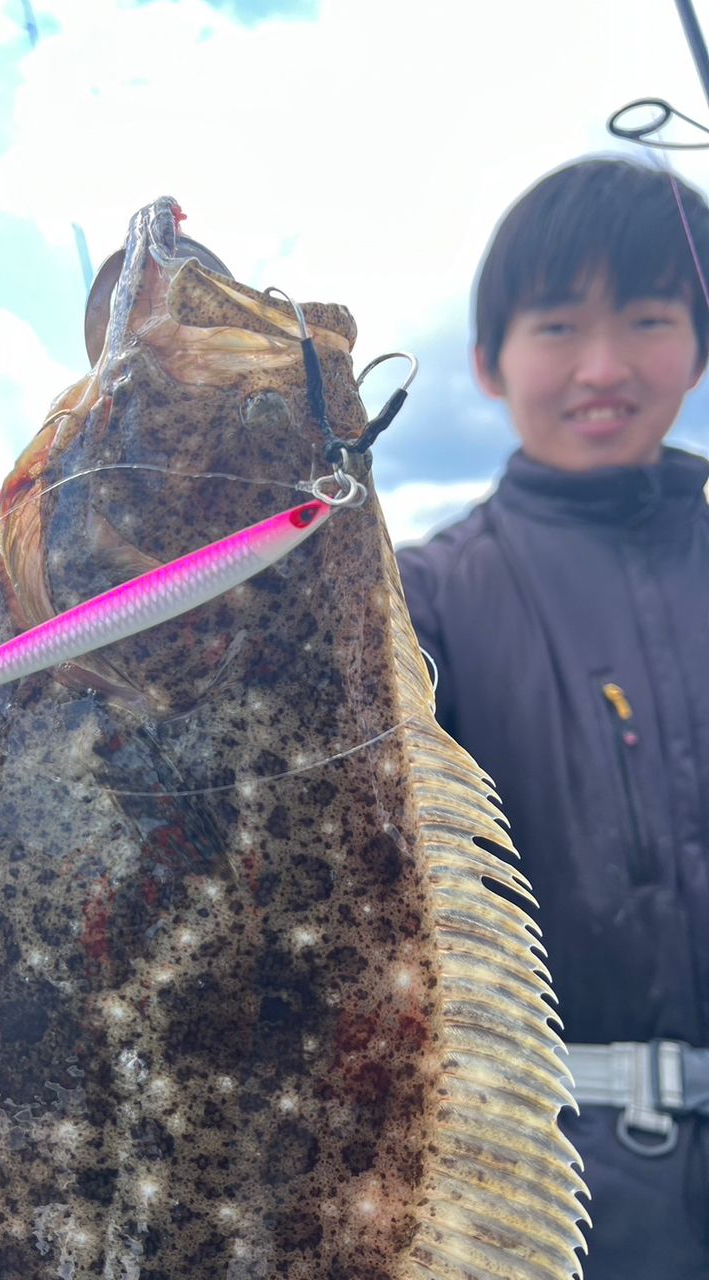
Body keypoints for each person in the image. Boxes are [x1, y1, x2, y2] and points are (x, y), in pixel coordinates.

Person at [395, 156, 709, 1279]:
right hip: (538, 1184)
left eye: (650, 318)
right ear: (487, 359)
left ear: (701, 346)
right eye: (559, 324)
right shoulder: (414, 598)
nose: (604, 366)